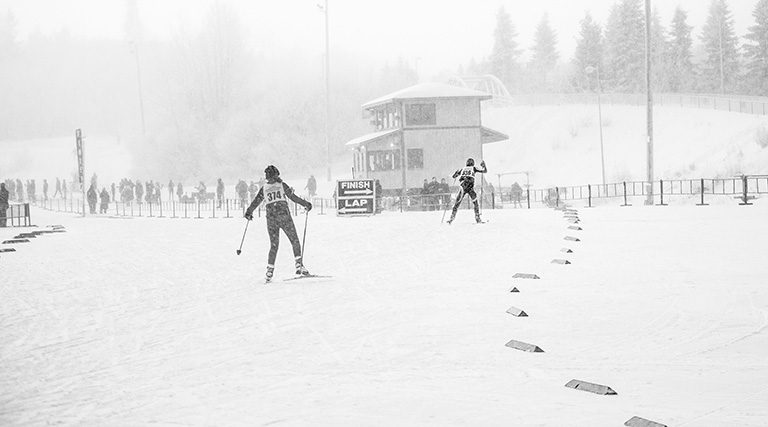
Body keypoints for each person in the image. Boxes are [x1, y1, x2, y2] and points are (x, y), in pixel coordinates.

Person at [244, 165, 313, 283]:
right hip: (284, 216)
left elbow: (256, 201)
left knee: (274, 245)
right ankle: (299, 265)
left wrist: (249, 212)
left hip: (271, 219)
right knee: (294, 240)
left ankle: (269, 271)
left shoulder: (264, 188)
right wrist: (306, 204)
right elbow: (293, 197)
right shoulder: (282, 185)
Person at [447, 158, 487, 224]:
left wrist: (456, 173)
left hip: (463, 187)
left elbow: (454, 176)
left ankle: (452, 218)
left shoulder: (463, 169)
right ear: (472, 163)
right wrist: (484, 166)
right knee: (475, 203)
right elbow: (484, 171)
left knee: (457, 203)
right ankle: (478, 218)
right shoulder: (473, 168)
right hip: (470, 187)